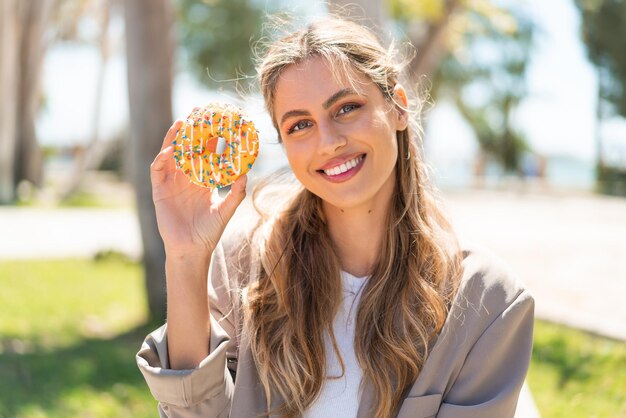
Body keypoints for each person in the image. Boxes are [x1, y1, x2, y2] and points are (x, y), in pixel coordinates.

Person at [137, 16, 534, 418]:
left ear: (398, 107)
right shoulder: (242, 266)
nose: (328, 142)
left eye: (347, 108)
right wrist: (186, 258)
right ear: (285, 145)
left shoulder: (489, 300)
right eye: (301, 125)